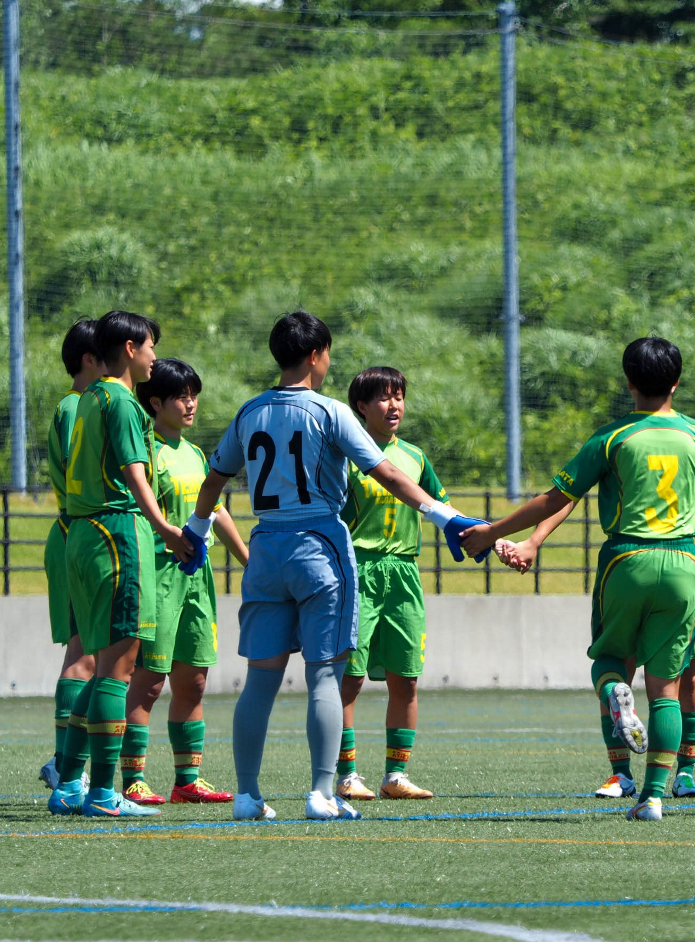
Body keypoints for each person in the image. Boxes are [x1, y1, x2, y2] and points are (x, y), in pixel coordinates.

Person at [461, 336, 695, 821]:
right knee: (666, 687)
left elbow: (556, 498)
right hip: (683, 566)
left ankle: (613, 698)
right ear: (677, 382)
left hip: (626, 560)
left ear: (628, 383)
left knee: (609, 660)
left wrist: (495, 532)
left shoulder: (613, 437)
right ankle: (654, 797)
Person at [188, 312, 483, 822]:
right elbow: (386, 472)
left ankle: (247, 794)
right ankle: (322, 792)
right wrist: (446, 516)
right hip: (319, 544)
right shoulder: (329, 412)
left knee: (260, 678)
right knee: (325, 673)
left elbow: (214, 480)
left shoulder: (250, 411)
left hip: (265, 548)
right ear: (316, 355)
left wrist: (196, 530)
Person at [50, 310, 192, 818]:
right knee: (118, 669)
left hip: (81, 535)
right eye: (151, 345)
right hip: (116, 534)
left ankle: (69, 785)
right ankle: (104, 793)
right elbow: (136, 475)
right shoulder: (124, 402)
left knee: (98, 665)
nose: (156, 355)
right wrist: (166, 529)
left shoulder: (84, 399)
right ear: (130, 348)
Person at [497, 507, 695, 800]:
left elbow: (562, 495)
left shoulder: (692, 457)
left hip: (630, 561)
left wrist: (528, 539)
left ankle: (623, 773)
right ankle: (677, 777)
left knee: (617, 667)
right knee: (679, 679)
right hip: (679, 565)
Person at [120, 359, 249, 806]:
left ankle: (187, 781)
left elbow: (215, 510)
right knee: (150, 680)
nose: (190, 403)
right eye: (180, 396)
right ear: (155, 402)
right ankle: (132, 778)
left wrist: (247, 559)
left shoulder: (195, 454)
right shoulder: (146, 451)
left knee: (193, 680)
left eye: (194, 393)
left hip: (197, 579)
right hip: (157, 575)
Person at [336, 367, 451, 802]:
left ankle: (395, 776)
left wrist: (485, 535)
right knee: (351, 677)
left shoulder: (416, 458)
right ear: (361, 408)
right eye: (383, 397)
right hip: (359, 570)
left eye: (399, 395)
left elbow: (441, 505)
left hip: (404, 573)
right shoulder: (345, 458)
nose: (394, 405)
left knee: (407, 678)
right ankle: (346, 775)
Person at [39, 319, 105, 792]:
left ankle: (66, 764)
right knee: (83, 651)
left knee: (88, 650)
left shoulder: (83, 404)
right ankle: (66, 767)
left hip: (82, 532)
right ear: (90, 359)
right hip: (77, 532)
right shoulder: (76, 406)